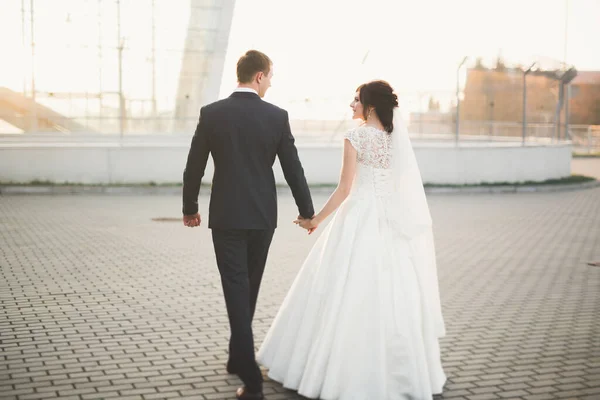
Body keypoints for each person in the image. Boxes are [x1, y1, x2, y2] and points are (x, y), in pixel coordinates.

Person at [257, 80, 447, 399]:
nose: (351, 104)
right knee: (395, 294)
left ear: (370, 105)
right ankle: (404, 374)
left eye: (356, 99)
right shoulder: (394, 137)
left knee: (342, 289)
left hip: (359, 216)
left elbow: (345, 189)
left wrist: (315, 219)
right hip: (390, 221)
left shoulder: (356, 135)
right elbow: (403, 185)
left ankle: (334, 373)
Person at [182, 50, 314, 400]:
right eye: (270, 76)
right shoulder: (276, 116)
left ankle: (239, 359)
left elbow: (194, 165)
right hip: (261, 218)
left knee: (237, 289)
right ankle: (246, 370)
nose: (270, 82)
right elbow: (292, 169)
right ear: (258, 76)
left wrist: (190, 207)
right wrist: (307, 212)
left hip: (226, 216)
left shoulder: (212, 114)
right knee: (248, 288)